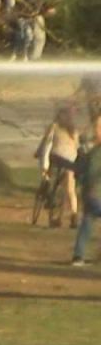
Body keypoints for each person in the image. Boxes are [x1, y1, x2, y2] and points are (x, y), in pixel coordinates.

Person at [37, 108, 80, 228]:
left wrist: (40, 156)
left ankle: (51, 200)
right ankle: (74, 216)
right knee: (70, 190)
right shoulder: (74, 130)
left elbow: (46, 144)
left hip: (56, 158)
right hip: (71, 161)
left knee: (51, 180)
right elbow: (77, 146)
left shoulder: (54, 127)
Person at [71, 113, 101, 266]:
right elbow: (83, 172)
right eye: (97, 127)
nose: (97, 130)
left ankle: (78, 256)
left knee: (87, 223)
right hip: (94, 195)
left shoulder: (93, 151)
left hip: (91, 194)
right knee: (87, 222)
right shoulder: (93, 151)